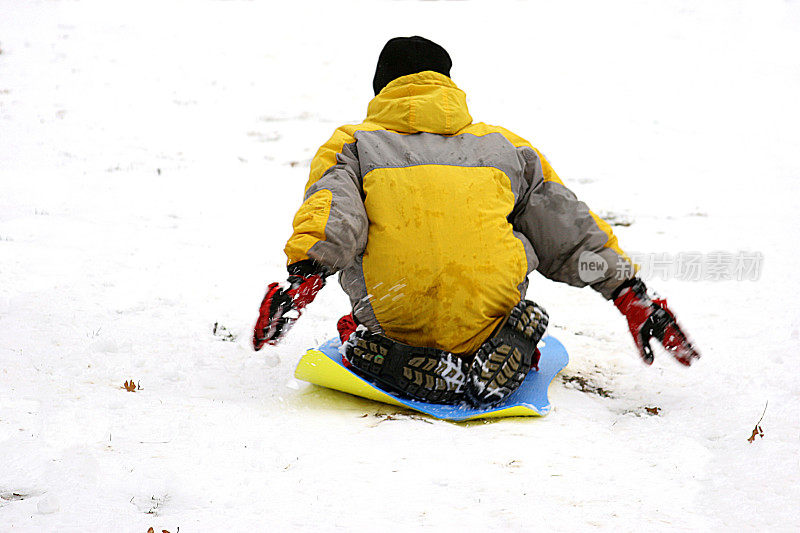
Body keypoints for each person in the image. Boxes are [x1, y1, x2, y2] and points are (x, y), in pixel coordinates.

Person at [253, 36, 700, 406]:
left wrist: (303, 280)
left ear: (381, 89)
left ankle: (382, 352)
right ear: (448, 85)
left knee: (367, 304)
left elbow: (335, 216)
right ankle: (502, 345)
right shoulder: (507, 147)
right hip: (489, 312)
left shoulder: (353, 143)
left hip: (394, 310)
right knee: (511, 238)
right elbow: (567, 230)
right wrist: (629, 294)